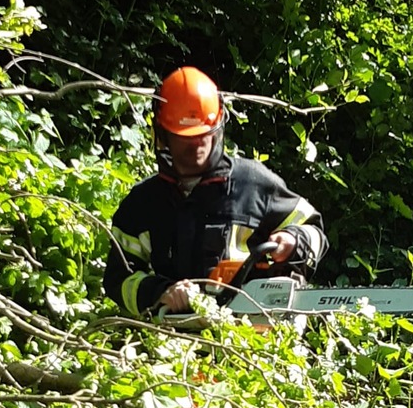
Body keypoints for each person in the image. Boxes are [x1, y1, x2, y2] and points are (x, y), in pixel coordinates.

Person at [103, 66, 327, 315]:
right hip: (172, 333)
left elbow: (313, 228)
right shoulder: (143, 204)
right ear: (164, 136)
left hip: (251, 329)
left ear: (217, 129)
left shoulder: (253, 183)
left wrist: (294, 240)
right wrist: (159, 293)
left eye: (202, 137)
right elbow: (118, 278)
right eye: (185, 140)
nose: (196, 147)